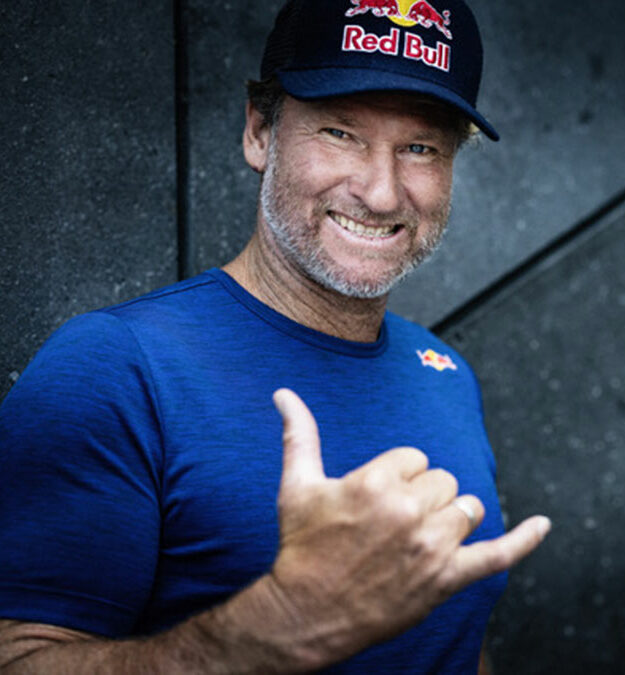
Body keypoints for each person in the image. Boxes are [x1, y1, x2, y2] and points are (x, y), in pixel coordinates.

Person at [0, 0, 550, 672]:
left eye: (420, 148)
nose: (381, 193)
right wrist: (269, 629)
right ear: (260, 132)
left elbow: (452, 646)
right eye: (341, 133)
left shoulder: (446, 374)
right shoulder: (115, 367)